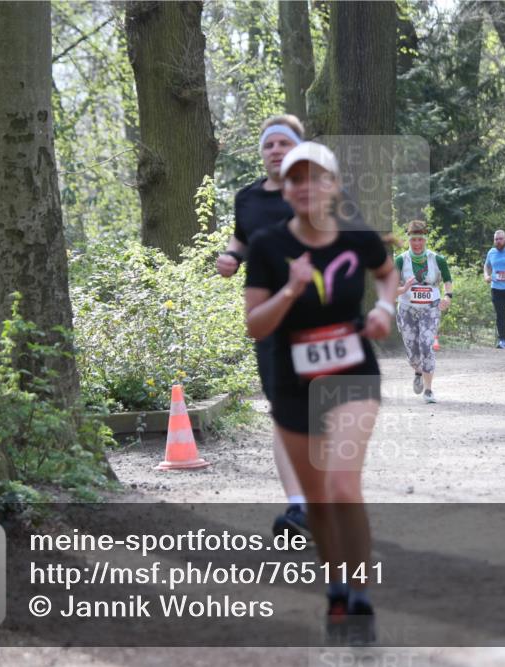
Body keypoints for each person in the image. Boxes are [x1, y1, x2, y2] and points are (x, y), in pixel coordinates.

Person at [244, 141, 397, 643]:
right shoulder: (267, 245)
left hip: (352, 375)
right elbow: (255, 325)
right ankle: (336, 589)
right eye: (295, 179)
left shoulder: (355, 236)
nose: (306, 186)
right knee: (317, 500)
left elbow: (387, 273)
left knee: (342, 486)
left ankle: (361, 598)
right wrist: (290, 289)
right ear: (285, 191)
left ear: (333, 185)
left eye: (316, 176)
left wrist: (384, 309)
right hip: (293, 385)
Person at [215, 115, 309, 540]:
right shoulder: (247, 198)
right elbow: (241, 237)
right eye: (268, 144)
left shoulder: (315, 192)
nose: (275, 150)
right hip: (269, 318)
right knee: (284, 412)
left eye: (283, 143)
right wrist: (231, 257)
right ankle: (299, 506)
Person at [395, 220, 453, 404]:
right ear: (409, 240)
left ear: (425, 239)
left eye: (420, 239)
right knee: (412, 352)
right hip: (407, 309)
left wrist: (447, 297)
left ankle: (428, 390)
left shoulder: (437, 259)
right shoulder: (400, 260)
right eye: (414, 239)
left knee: (427, 345)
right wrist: (404, 288)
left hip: (430, 309)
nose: (417, 243)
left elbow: (447, 281)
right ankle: (418, 371)